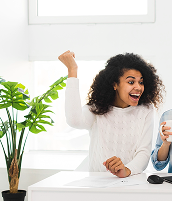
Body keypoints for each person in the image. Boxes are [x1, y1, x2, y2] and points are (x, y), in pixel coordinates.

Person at [58, 50, 164, 178]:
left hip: (130, 182)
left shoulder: (146, 110)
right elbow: (74, 120)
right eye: (131, 82)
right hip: (96, 183)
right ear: (115, 84)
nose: (138, 87)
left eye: (141, 82)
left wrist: (126, 170)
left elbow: (144, 152)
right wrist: (72, 70)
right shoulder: (97, 109)